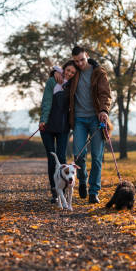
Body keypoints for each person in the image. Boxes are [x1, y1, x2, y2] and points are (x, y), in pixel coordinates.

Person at [55, 46, 111, 204]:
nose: (79, 63)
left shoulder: (98, 72)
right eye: (76, 61)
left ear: (87, 56)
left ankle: (94, 192)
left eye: (82, 60)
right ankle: (82, 180)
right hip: (78, 119)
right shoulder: (74, 72)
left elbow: (105, 94)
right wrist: (54, 73)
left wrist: (104, 110)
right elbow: (60, 71)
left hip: (96, 119)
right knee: (78, 156)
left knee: (97, 157)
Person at [39, 60, 77, 203]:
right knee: (51, 159)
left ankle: (65, 188)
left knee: (61, 157)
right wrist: (43, 120)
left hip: (63, 127)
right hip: (48, 126)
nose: (69, 74)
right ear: (64, 69)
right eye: (68, 70)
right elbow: (47, 101)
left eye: (73, 72)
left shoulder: (73, 85)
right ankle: (55, 191)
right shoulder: (52, 81)